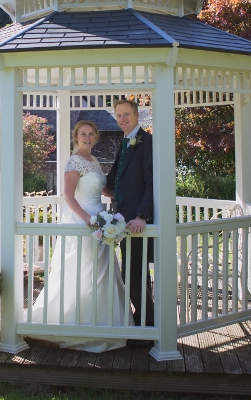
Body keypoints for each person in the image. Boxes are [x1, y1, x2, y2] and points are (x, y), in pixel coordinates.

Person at [27, 120, 130, 352]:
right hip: (84, 223)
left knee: (101, 272)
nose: (87, 137)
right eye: (83, 134)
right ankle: (76, 323)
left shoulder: (93, 161)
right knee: (83, 272)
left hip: (103, 223)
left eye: (91, 134)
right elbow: (68, 195)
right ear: (76, 137)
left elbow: (102, 189)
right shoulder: (73, 161)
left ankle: (105, 323)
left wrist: (127, 193)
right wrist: (86, 219)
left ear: (95, 137)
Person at [104, 98, 155, 347]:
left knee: (133, 273)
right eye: (118, 115)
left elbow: (151, 182)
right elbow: (115, 180)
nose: (122, 119)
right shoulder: (124, 142)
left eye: (126, 114)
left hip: (137, 221)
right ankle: (145, 320)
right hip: (123, 220)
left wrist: (142, 215)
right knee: (136, 272)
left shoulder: (147, 143)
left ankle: (148, 326)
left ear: (137, 115)